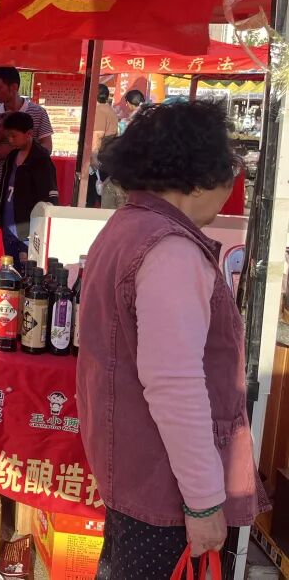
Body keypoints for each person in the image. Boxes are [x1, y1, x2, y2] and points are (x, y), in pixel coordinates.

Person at [77, 101, 266, 577]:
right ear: (199, 179)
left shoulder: (126, 226)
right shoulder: (171, 250)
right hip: (166, 488)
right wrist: (205, 502)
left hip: (135, 471)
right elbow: (175, 385)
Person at [0, 66, 53, 217]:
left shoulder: (38, 113)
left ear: (14, 87)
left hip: (27, 185)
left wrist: (13, 151)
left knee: (22, 227)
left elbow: (47, 148)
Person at [0, 111, 59, 260]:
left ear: (29, 134)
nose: (10, 140)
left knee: (25, 268)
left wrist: (41, 227)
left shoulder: (41, 160)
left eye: (14, 136)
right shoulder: (11, 157)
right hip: (7, 224)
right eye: (8, 136)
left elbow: (49, 199)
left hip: (28, 228)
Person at [86, 84, 120, 208]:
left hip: (100, 157)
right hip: (109, 156)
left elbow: (98, 135)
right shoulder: (110, 109)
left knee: (93, 195)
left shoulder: (99, 110)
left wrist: (94, 156)